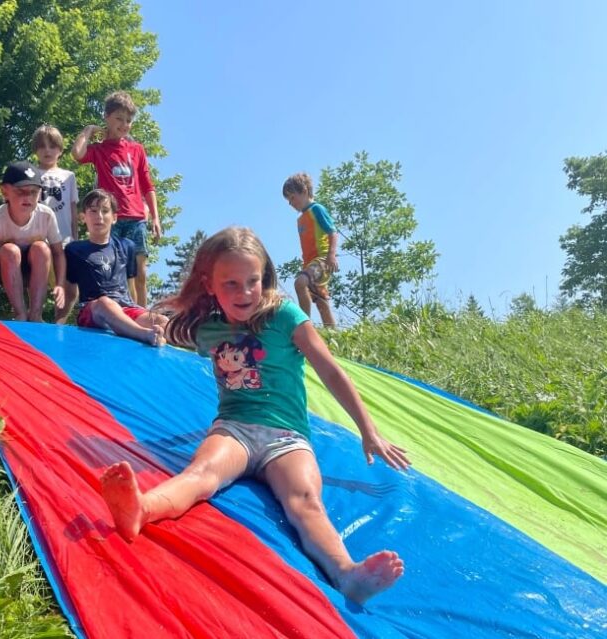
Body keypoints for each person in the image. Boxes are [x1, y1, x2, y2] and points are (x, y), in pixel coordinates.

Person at [100, 226, 410, 604]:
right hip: (234, 430)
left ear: (265, 276)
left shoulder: (284, 316)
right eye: (230, 284)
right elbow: (166, 328)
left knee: (304, 500)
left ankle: (348, 575)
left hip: (287, 436)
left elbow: (330, 369)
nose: (244, 293)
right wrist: (119, 317)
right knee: (200, 475)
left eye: (252, 281)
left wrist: (368, 430)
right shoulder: (208, 328)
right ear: (209, 284)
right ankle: (141, 509)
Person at [71, 90, 161, 308]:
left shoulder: (136, 149)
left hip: (136, 217)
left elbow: (148, 185)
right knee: (117, 271)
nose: (124, 124)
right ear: (107, 117)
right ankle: (121, 311)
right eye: (119, 119)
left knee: (140, 271)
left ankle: (142, 313)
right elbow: (77, 154)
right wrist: (88, 131)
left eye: (128, 120)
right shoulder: (100, 150)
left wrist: (155, 218)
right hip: (112, 219)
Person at [0, 161, 65, 322]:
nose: (28, 197)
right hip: (5, 267)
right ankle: (20, 313)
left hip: (36, 266)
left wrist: (60, 284)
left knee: (41, 248)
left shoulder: (46, 215)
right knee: (10, 250)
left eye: (33, 192)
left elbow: (58, 254)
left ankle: (36, 313)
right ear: (5, 192)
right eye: (20, 192)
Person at [65, 189, 167, 346]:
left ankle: (207, 345)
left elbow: (130, 288)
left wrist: (141, 310)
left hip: (125, 309)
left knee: (161, 320)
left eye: (105, 211)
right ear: (83, 217)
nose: (99, 216)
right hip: (94, 310)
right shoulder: (74, 249)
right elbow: (70, 292)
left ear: (114, 218)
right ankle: (144, 334)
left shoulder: (127, 246)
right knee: (106, 303)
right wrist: (60, 319)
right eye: (93, 211)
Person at [32, 124, 80, 323]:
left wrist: (76, 238)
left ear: (60, 150)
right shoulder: (30, 173)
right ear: (36, 150)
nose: (47, 151)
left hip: (65, 238)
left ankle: (58, 323)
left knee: (71, 289)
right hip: (38, 238)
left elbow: (72, 208)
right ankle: (35, 317)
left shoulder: (68, 176)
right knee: (39, 283)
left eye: (52, 146)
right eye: (42, 146)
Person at [283, 172, 339, 328]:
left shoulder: (316, 209)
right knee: (321, 302)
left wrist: (331, 255)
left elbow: (332, 232)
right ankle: (334, 336)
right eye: (288, 200)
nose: (291, 203)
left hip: (321, 259)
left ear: (304, 191)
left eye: (292, 197)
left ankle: (304, 328)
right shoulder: (301, 218)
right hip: (309, 263)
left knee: (300, 283)